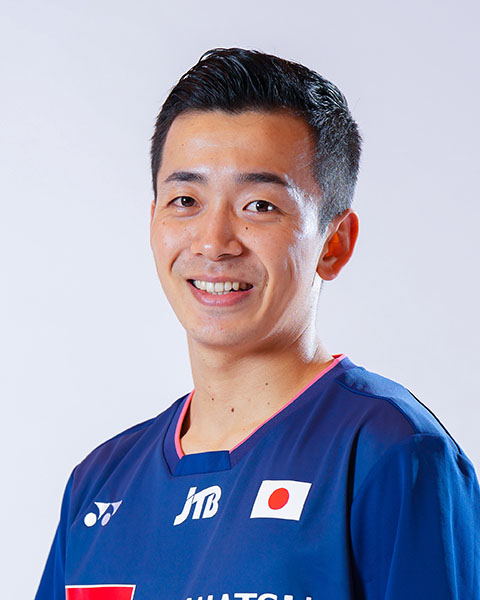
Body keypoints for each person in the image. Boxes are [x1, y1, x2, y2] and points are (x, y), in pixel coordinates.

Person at [36, 47, 480, 600]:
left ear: (334, 243)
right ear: (153, 222)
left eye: (260, 206)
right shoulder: (98, 483)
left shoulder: (391, 453)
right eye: (185, 200)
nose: (213, 242)